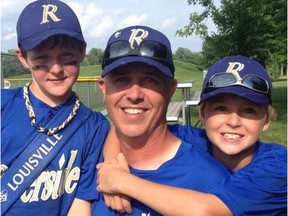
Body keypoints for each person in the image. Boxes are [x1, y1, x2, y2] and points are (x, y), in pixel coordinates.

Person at [97, 55, 287, 215]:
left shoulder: (278, 166)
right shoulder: (198, 140)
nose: (234, 122)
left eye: (249, 111)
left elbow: (207, 211)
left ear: (267, 120)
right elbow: (125, 130)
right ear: (203, 115)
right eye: (221, 108)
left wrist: (122, 182)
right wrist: (113, 164)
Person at [89, 25, 232, 216]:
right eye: (122, 80)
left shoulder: (212, 183)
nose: (134, 94)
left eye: (150, 80)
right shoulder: (88, 163)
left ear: (171, 89)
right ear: (103, 88)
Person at [1, 0, 110, 215]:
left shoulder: (94, 127)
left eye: (67, 58)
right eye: (42, 59)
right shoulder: (4, 105)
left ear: (82, 52)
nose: (57, 69)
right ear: (22, 57)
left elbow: (80, 205)